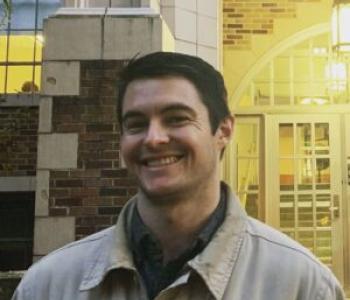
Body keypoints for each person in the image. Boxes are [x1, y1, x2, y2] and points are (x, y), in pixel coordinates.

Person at [13, 52, 345, 300]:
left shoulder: (302, 286)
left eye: (176, 118)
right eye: (136, 124)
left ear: (223, 131)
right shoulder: (49, 286)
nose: (153, 138)